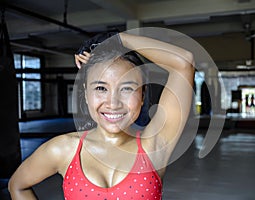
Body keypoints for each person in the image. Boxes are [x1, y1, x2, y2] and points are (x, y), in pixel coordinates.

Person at [8, 30, 195, 200]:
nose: (113, 103)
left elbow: (184, 63)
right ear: (86, 94)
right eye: (100, 88)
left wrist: (118, 38)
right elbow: (17, 186)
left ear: (142, 95)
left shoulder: (155, 145)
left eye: (127, 88)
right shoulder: (64, 149)